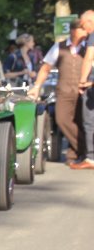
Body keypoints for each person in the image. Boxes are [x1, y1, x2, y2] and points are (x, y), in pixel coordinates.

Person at [30, 11, 94, 168]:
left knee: (83, 122)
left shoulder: (89, 46)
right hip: (65, 91)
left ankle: (76, 154)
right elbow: (45, 68)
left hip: (85, 90)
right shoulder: (59, 47)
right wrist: (37, 87)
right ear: (73, 31)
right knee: (62, 119)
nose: (85, 32)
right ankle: (85, 150)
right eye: (81, 29)